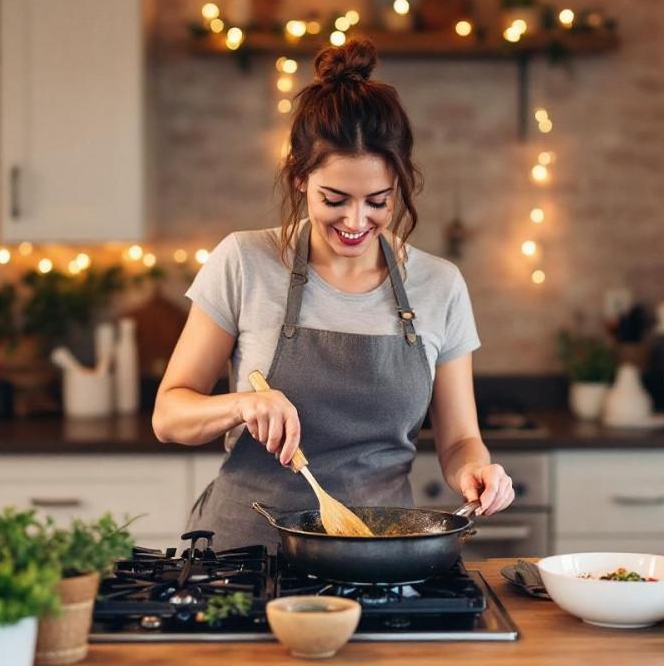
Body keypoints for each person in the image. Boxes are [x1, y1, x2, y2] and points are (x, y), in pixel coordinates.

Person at [152, 38, 515, 550]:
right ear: (300, 177)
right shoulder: (243, 262)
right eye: (335, 199)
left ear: (401, 185)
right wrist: (241, 405)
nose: (355, 221)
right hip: (244, 550)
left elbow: (459, 439)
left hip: (377, 551)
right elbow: (169, 416)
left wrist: (477, 470)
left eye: (377, 201)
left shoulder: (440, 285)